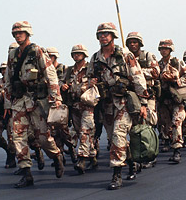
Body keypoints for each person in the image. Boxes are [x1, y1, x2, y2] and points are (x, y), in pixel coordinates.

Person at [87, 22, 149, 190]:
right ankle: (131, 162)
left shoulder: (125, 55)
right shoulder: (95, 58)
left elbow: (138, 78)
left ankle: (116, 174)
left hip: (123, 103)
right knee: (115, 139)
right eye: (100, 34)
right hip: (106, 105)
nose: (103, 37)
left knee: (117, 135)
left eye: (106, 34)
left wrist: (143, 103)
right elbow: (88, 78)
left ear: (113, 36)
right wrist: (91, 82)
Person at [4, 21, 64, 188]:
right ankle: (26, 173)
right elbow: (8, 79)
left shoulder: (37, 51)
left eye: (20, 33)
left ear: (28, 33)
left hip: (36, 100)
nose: (17, 35)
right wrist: (8, 103)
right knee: (18, 137)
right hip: (19, 101)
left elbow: (51, 75)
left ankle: (56, 155)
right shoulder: (12, 55)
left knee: (43, 138)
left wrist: (56, 98)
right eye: (15, 33)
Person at [61, 44, 97, 174]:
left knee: (84, 130)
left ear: (84, 55)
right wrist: (63, 86)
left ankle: (81, 159)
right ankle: (92, 155)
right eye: (74, 54)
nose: (76, 55)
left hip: (87, 105)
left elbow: (96, 81)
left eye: (79, 53)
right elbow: (60, 81)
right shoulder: (69, 70)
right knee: (78, 131)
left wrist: (90, 84)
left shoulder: (90, 68)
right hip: (74, 105)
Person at [126, 32, 160, 168]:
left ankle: (150, 153)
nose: (133, 44)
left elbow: (155, 72)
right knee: (134, 127)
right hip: (132, 96)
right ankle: (137, 155)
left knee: (148, 123)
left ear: (140, 44)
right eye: (130, 42)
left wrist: (137, 71)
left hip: (147, 95)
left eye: (135, 42)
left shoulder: (147, 56)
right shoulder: (125, 57)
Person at [157, 39, 186, 163]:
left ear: (170, 50)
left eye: (166, 48)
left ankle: (177, 150)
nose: (163, 51)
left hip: (176, 99)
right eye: (162, 49)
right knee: (165, 124)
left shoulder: (177, 63)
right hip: (164, 99)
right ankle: (168, 142)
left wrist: (175, 80)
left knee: (177, 122)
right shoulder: (157, 64)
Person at [48, 46, 77, 165]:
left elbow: (69, 81)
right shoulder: (44, 70)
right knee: (53, 132)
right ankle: (60, 155)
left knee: (64, 131)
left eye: (50, 56)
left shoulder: (64, 69)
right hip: (50, 104)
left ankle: (71, 148)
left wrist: (63, 86)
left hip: (63, 103)